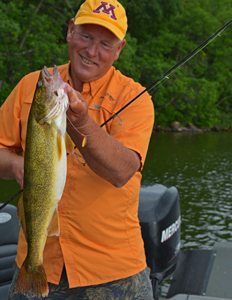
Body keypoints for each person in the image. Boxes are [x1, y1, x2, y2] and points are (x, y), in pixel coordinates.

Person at [0, 0, 154, 299]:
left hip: (113, 271)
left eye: (105, 43)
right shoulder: (31, 86)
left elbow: (122, 171)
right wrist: (19, 166)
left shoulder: (136, 98)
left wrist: (82, 120)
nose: (92, 51)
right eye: (85, 36)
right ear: (70, 31)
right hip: (37, 259)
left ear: (119, 49)